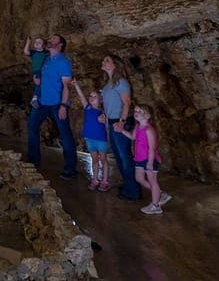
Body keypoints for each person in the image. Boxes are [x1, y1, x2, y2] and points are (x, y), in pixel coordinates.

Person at [26, 34, 78, 179]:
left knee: (65, 134)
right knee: (32, 127)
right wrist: (37, 81)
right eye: (50, 38)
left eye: (54, 39)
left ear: (60, 44)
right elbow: (41, 79)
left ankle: (70, 168)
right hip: (42, 102)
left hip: (56, 103)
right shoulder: (47, 59)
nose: (50, 40)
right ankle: (33, 160)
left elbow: (67, 86)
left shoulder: (63, 62)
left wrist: (63, 105)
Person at [115, 104, 172, 214]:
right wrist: (121, 130)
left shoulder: (149, 130)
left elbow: (152, 148)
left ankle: (156, 206)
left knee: (152, 181)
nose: (136, 112)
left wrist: (150, 163)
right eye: (136, 110)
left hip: (149, 159)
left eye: (140, 111)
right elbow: (133, 137)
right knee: (139, 178)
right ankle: (160, 194)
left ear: (148, 115)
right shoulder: (137, 126)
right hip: (139, 159)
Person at [99, 55, 142, 201]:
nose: (103, 62)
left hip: (120, 121)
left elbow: (127, 102)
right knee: (118, 157)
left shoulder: (121, 82)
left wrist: (121, 121)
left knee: (125, 156)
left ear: (115, 65)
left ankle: (133, 190)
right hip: (112, 122)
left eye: (107, 60)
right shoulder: (108, 83)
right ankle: (128, 184)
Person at [72, 78, 110, 191]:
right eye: (91, 96)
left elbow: (108, 125)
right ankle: (95, 179)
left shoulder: (103, 113)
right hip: (90, 139)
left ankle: (105, 180)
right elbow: (82, 97)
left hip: (100, 140)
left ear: (100, 100)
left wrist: (105, 121)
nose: (91, 98)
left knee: (103, 159)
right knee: (94, 159)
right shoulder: (88, 108)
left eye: (94, 97)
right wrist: (76, 85)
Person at [23, 37, 48, 108]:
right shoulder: (34, 52)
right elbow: (26, 51)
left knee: (42, 84)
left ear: (44, 45)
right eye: (35, 42)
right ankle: (35, 98)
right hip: (37, 71)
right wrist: (28, 42)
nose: (36, 43)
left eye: (39, 42)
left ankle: (38, 98)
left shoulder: (46, 53)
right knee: (39, 84)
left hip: (44, 71)